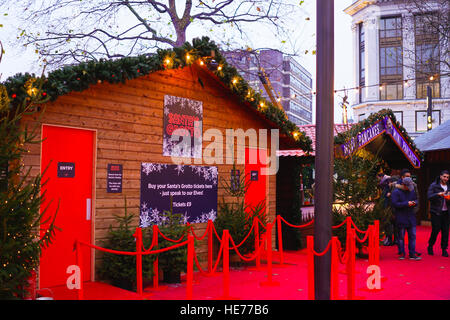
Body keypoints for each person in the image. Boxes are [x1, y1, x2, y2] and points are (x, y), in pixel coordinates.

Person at [391, 177, 421, 260]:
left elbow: (417, 199)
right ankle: (402, 253)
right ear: (403, 185)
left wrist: (414, 203)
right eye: (408, 186)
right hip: (401, 216)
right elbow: (394, 204)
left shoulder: (412, 191)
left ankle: (412, 254)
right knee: (401, 237)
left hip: (411, 216)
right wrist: (406, 203)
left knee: (413, 236)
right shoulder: (396, 192)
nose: (409, 188)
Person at [427, 170, 450, 257]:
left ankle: (444, 249)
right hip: (436, 212)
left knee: (445, 231)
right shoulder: (434, 185)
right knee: (435, 230)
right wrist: (438, 194)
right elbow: (429, 196)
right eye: (444, 177)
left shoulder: (448, 186)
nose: (446, 179)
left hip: (446, 212)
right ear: (440, 176)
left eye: (447, 177)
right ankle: (430, 246)